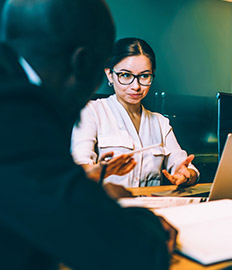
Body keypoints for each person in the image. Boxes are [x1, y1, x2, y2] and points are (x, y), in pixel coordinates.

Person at [0, 0, 176, 269]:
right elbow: (134, 252)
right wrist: (144, 219)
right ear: (84, 64)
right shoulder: (18, 113)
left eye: (144, 76)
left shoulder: (12, 82)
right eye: (123, 75)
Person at [71, 37, 199, 188]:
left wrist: (186, 175)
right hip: (108, 207)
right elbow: (77, 168)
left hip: (151, 208)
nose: (136, 86)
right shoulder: (91, 112)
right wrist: (99, 171)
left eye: (144, 76)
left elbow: (185, 167)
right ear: (109, 75)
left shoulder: (160, 123)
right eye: (126, 75)